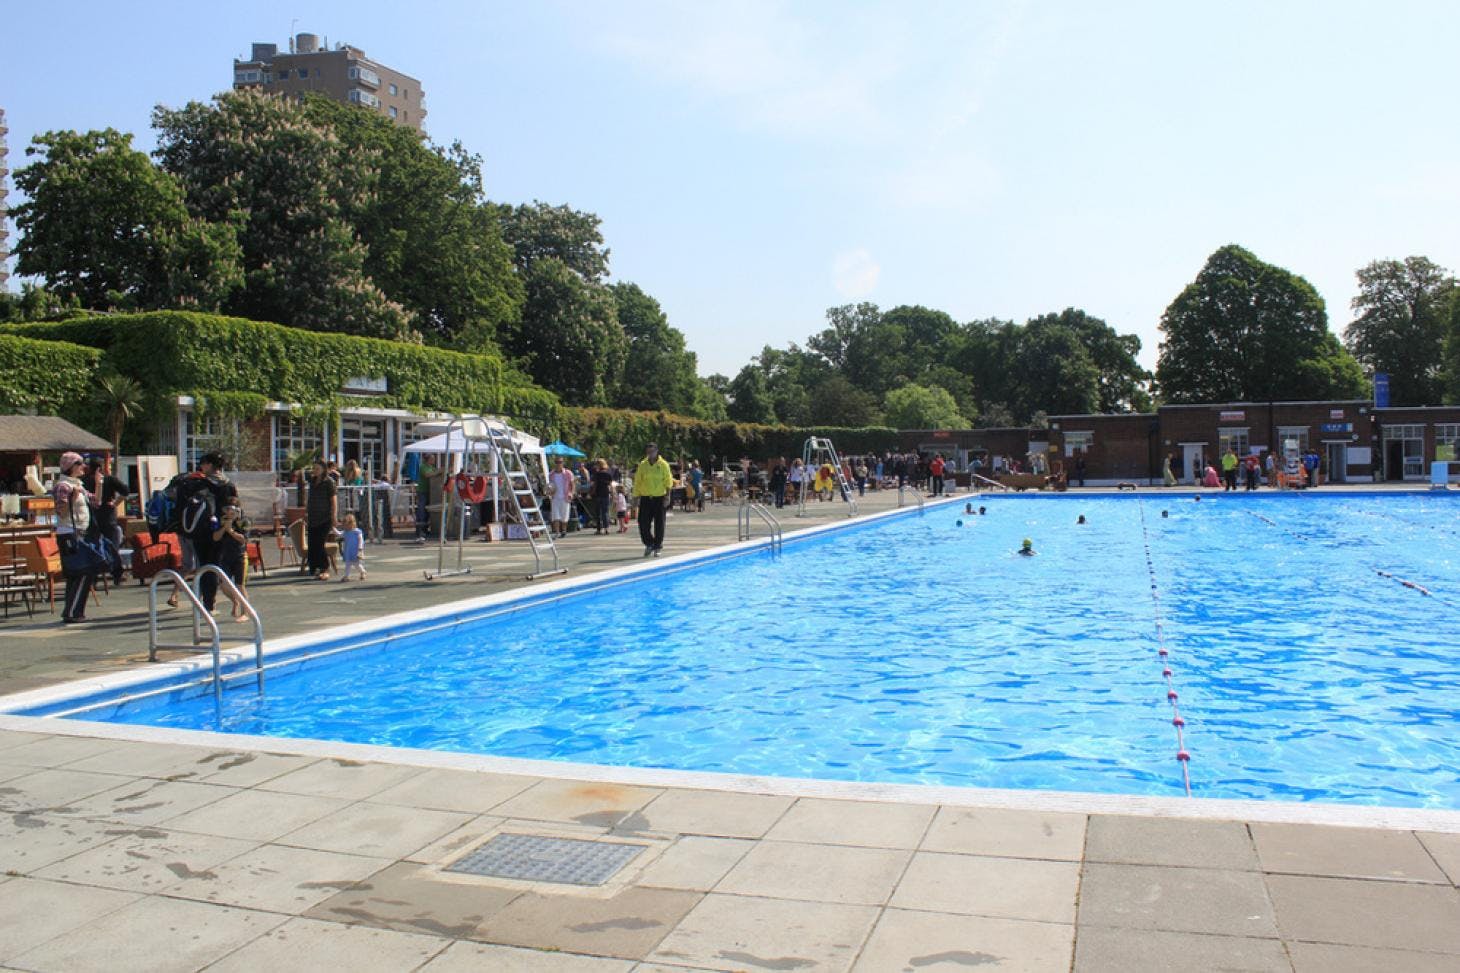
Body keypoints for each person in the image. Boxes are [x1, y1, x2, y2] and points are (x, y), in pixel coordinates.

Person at [52, 452, 96, 623]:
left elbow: (96, 502)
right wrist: (72, 498)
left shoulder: (79, 484)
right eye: (79, 464)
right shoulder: (63, 486)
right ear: (71, 467)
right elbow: (60, 511)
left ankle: (74, 611)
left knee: (80, 572)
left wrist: (99, 484)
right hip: (69, 533)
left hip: (81, 532)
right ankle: (72, 612)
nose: (83, 467)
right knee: (82, 571)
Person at [86, 455, 127, 584]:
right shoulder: (110, 480)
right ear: (101, 467)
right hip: (108, 516)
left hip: (91, 517)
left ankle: (94, 577)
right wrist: (115, 503)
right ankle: (116, 574)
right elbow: (126, 491)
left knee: (93, 547)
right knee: (112, 546)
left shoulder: (84, 481)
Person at [633, 442, 673, 557]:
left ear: (657, 451)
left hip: (659, 497)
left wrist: (668, 496)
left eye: (652, 452)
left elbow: (668, 481)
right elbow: (638, 481)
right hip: (646, 497)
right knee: (642, 522)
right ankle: (649, 543)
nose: (650, 454)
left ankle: (658, 545)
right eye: (648, 452)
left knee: (659, 523)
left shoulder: (663, 464)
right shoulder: (643, 465)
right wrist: (635, 497)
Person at [212, 500, 251, 620]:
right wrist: (224, 528)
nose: (228, 512)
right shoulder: (221, 520)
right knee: (224, 585)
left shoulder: (244, 521)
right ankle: (235, 601)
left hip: (240, 556)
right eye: (226, 509)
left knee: (240, 585)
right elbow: (215, 537)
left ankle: (245, 613)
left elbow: (243, 539)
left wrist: (231, 531)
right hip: (226, 556)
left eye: (231, 510)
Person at [305, 459, 337, 580]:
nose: (315, 471)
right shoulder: (312, 481)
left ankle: (325, 567)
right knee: (312, 543)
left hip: (324, 517)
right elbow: (310, 498)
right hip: (313, 516)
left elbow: (333, 500)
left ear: (324, 469)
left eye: (318, 469)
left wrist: (334, 516)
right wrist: (306, 513)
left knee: (319, 543)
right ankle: (314, 567)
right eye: (314, 468)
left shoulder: (329, 482)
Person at [548, 458, 574, 538]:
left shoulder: (568, 473)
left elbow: (572, 484)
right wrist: (549, 492)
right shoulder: (551, 474)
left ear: (563, 463)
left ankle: (564, 530)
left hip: (565, 497)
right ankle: (557, 532)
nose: (558, 464)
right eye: (556, 462)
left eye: (560, 462)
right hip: (555, 497)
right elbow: (549, 485)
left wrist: (571, 493)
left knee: (564, 516)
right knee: (556, 516)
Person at [338, 512, 367, 581]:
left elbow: (361, 540)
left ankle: (363, 572)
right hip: (348, 550)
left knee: (356, 564)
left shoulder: (357, 532)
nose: (345, 527)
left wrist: (360, 548)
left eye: (346, 525)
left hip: (355, 550)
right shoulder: (346, 532)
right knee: (348, 563)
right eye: (344, 525)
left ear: (352, 524)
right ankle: (346, 576)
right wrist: (334, 529)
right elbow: (339, 534)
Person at [590, 459, 614, 534]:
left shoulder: (596, 474)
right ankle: (606, 528)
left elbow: (594, 485)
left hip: (598, 494)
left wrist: (591, 493)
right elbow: (610, 485)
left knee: (598, 513)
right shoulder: (608, 474)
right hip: (606, 494)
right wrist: (613, 494)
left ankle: (598, 529)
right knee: (605, 512)